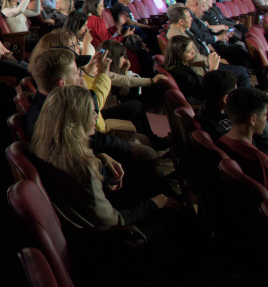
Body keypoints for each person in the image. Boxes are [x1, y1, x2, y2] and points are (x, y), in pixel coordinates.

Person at [29, 86, 185, 238]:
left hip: (79, 215)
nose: (97, 116)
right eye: (92, 112)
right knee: (169, 212)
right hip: (105, 239)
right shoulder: (81, 165)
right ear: (75, 121)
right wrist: (153, 204)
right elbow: (113, 221)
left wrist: (101, 157)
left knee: (155, 183)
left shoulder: (42, 143)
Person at [215, 88, 268, 188]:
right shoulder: (258, 160)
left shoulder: (220, 142)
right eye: (265, 115)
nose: (266, 120)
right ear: (253, 119)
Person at [163, 35, 221, 106]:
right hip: (200, 104)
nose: (193, 52)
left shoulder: (177, 66)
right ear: (179, 54)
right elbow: (203, 94)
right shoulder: (181, 73)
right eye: (189, 51)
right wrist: (213, 69)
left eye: (193, 49)